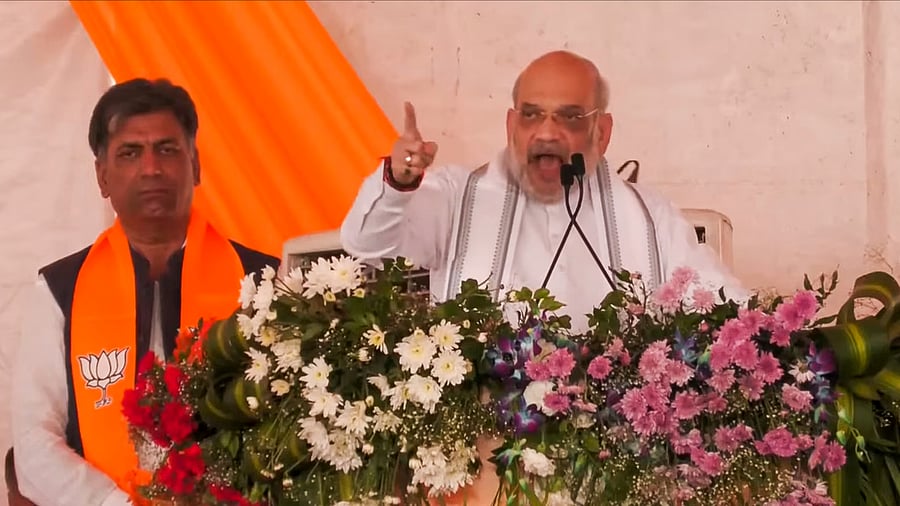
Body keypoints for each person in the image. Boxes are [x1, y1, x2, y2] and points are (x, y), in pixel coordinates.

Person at [11, 79, 280, 506]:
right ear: (102, 176)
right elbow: (32, 441)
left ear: (196, 164)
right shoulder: (60, 290)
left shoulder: (264, 280)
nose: (151, 168)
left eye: (168, 149)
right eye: (130, 153)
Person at [341, 50, 746, 333]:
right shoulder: (456, 198)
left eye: (569, 117)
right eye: (532, 115)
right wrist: (400, 180)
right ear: (510, 126)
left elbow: (727, 309)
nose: (547, 132)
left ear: (601, 133)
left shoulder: (650, 217)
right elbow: (368, 243)